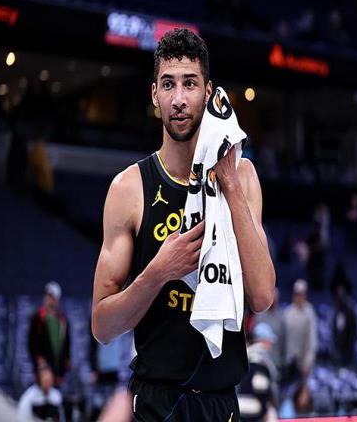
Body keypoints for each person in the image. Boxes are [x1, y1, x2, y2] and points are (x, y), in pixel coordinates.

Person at [91, 28, 275, 421]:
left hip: (221, 401)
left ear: (207, 92)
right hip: (155, 402)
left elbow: (262, 296)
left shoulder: (243, 177)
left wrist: (228, 183)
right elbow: (102, 326)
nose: (178, 98)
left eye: (189, 83)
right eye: (168, 84)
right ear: (154, 94)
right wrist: (158, 273)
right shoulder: (128, 189)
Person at [28, 281, 71, 386]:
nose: (49, 299)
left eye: (52, 297)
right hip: (42, 369)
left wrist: (64, 366)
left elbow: (66, 345)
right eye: (47, 296)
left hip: (58, 370)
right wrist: (39, 362)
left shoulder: (62, 320)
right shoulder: (38, 317)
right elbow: (31, 343)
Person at [282, 279, 317, 386]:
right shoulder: (288, 312)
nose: (299, 297)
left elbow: (312, 339)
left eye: (301, 294)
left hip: (302, 363)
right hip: (288, 362)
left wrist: (308, 363)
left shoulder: (309, 313)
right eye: (297, 294)